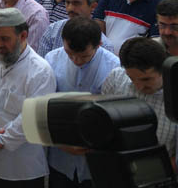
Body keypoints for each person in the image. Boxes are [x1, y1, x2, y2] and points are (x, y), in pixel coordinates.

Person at [0, 8, 57, 187]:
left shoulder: (40, 71)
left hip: (20, 168)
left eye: (5, 38)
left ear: (23, 36)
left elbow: (31, 119)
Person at [45, 16, 121, 187]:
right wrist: (59, 142)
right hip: (59, 158)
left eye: (84, 56)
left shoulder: (114, 68)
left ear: (99, 45)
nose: (76, 61)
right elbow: (44, 108)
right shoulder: (51, 60)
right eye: (69, 54)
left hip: (95, 163)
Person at [101, 37, 176, 157]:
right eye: (131, 78)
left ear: (163, 69)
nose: (139, 86)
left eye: (146, 79)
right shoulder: (116, 79)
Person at [37, 0, 115, 58]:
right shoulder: (52, 31)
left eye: (76, 3)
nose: (70, 8)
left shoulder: (104, 46)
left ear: (92, 6)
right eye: (67, 2)